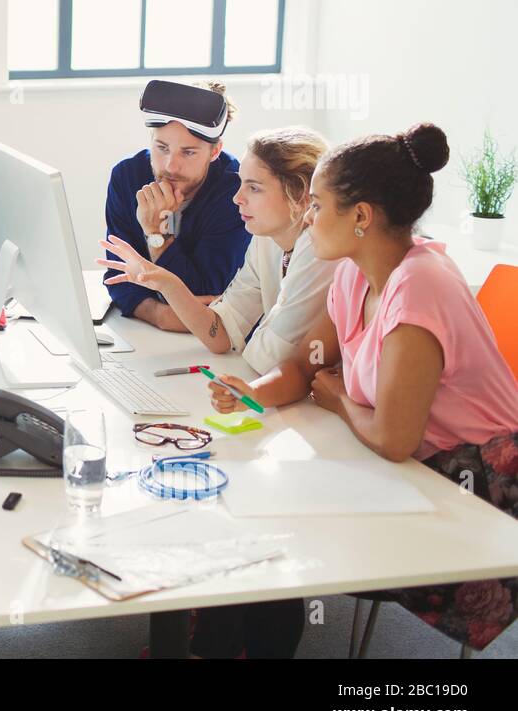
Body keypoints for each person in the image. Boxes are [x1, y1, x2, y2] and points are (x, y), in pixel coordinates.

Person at [203, 123, 518, 655]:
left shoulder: (420, 287)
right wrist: (253, 390)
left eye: (318, 205)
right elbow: (306, 367)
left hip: (477, 493)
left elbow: (393, 437)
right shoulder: (352, 269)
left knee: (274, 527)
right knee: (249, 499)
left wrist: (339, 400)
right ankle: (217, 646)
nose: (307, 217)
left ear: (361, 217)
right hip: (408, 468)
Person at [98, 126, 334, 374]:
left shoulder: (317, 251)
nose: (237, 198)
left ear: (300, 196)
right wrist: (165, 282)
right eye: (241, 183)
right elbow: (221, 335)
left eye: (253, 188)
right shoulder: (265, 238)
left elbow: (268, 359)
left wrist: (247, 336)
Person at [103, 80, 252, 331]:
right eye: (162, 148)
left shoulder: (235, 192)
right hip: (146, 331)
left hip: (210, 341)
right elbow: (119, 278)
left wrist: (157, 234)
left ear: (214, 152)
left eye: (188, 152)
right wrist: (160, 315)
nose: (171, 166)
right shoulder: (127, 177)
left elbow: (204, 291)